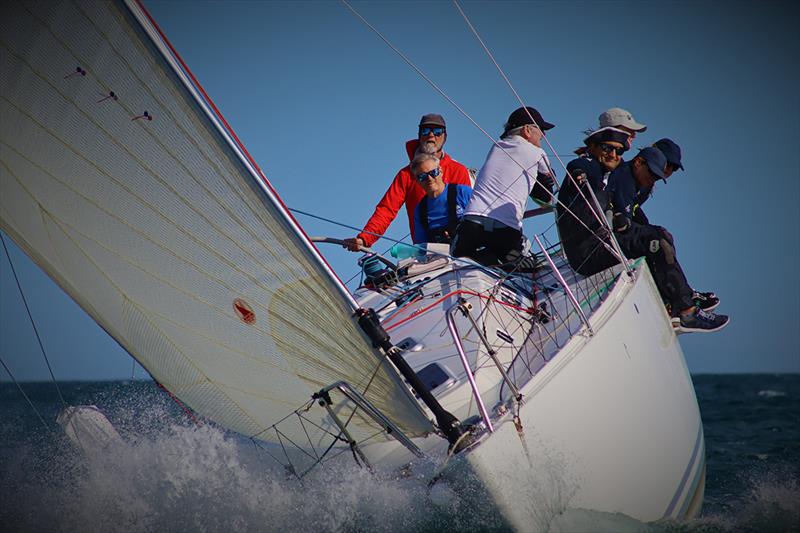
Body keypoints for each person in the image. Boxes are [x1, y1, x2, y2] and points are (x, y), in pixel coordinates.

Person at [608, 147, 729, 333]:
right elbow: (623, 221)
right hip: (609, 239)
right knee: (658, 240)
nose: (665, 172)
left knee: (661, 237)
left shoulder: (640, 182)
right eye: (665, 167)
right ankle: (686, 309)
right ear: (640, 162)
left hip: (619, 232)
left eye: (665, 171)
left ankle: (678, 299)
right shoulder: (624, 178)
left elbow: (636, 217)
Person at [343, 114, 471, 251]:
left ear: (445, 136)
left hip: (462, 247)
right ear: (419, 135)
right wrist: (365, 238)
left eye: (438, 131)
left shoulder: (458, 170)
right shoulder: (405, 175)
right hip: (428, 252)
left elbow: (472, 211)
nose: (431, 136)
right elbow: (386, 210)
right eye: (426, 131)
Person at [451, 106, 555, 266]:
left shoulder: (497, 146)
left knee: (456, 264)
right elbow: (547, 197)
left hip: (471, 224)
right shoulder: (538, 153)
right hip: (505, 230)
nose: (544, 135)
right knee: (521, 271)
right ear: (527, 130)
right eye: (540, 129)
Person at [629, 138, 720, 312]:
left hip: (629, 218)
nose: (668, 170)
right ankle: (680, 298)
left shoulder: (647, 185)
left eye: (674, 168)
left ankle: (678, 293)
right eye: (668, 164)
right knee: (657, 240)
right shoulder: (632, 172)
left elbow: (636, 211)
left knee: (660, 236)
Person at [556, 127, 630, 275]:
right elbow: (577, 165)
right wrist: (578, 174)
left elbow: (621, 204)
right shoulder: (589, 165)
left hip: (605, 244)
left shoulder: (614, 176)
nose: (613, 155)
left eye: (619, 151)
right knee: (601, 197)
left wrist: (623, 218)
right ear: (593, 148)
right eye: (607, 148)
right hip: (584, 250)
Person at [410, 153, 473, 244]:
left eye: (433, 173)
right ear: (417, 181)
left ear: (440, 171)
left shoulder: (462, 192)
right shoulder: (420, 210)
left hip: (470, 251)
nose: (430, 179)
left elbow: (483, 223)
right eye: (423, 176)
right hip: (439, 255)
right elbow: (421, 246)